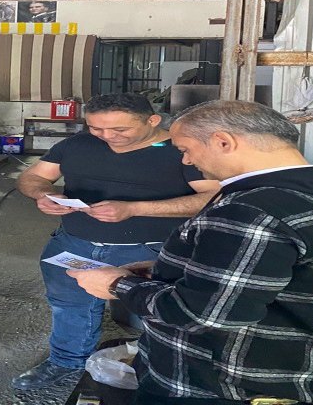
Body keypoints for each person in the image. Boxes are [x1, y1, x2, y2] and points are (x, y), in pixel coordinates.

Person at [69, 100, 313, 405]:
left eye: (185, 149)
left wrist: (117, 285)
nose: (186, 161)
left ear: (223, 142)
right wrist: (173, 267)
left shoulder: (251, 211)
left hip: (223, 386)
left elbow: (203, 315)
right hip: (311, 373)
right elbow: (289, 272)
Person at [12, 92, 219, 390]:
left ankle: (165, 369)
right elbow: (32, 177)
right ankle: (66, 361)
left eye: (120, 129)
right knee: (70, 305)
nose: (107, 136)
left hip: (151, 251)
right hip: (74, 244)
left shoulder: (182, 151)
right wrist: (43, 194)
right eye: (96, 128)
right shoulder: (76, 145)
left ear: (153, 120)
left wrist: (135, 209)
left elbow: (213, 197)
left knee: (161, 313)